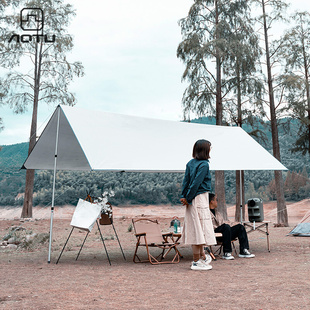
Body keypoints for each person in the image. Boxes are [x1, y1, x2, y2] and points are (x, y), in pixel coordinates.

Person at [180, 139, 216, 271]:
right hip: (199, 198)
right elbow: (196, 183)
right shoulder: (204, 165)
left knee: (197, 229)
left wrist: (184, 196)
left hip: (191, 199)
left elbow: (186, 181)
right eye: (210, 148)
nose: (211, 150)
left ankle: (201, 258)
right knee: (198, 230)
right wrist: (188, 198)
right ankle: (196, 261)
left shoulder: (190, 163)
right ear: (205, 150)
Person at [209, 193, 255, 260]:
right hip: (214, 233)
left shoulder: (217, 212)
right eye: (216, 200)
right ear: (211, 201)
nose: (217, 202)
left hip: (225, 232)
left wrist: (232, 225)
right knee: (226, 227)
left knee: (240, 227)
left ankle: (244, 250)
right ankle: (227, 252)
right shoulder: (206, 213)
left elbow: (223, 223)